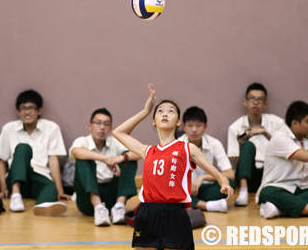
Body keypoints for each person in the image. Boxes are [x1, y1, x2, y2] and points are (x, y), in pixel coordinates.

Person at [113, 84, 234, 250]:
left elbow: (218, 174)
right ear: (154, 121)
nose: (164, 113)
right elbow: (118, 132)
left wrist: (224, 183)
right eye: (160, 111)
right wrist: (146, 111)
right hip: (147, 212)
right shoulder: (147, 151)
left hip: (175, 213)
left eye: (170, 111)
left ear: (178, 122)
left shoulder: (187, 148)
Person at [0, 90, 71, 216]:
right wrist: (3, 189)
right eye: (23, 108)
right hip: (14, 179)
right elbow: (1, 161)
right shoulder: (9, 129)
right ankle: (16, 194)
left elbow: (53, 159)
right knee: (23, 148)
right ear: (18, 111)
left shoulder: (51, 128)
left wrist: (59, 190)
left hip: (39, 176)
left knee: (50, 190)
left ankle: (42, 206)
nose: (27, 112)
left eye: (31, 108)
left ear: (39, 110)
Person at [69, 108, 140, 226]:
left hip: (111, 196)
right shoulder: (82, 141)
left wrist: (120, 158)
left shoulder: (114, 142)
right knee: (83, 158)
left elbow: (138, 152)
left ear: (111, 129)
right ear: (89, 125)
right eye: (98, 123)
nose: (102, 127)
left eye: (106, 124)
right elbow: (76, 152)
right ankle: (99, 209)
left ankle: (119, 207)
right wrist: (105, 159)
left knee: (129, 158)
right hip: (87, 201)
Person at [227, 82, 286, 206]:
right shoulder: (235, 127)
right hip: (249, 175)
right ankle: (243, 191)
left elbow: (286, 148)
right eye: (252, 98)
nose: (255, 102)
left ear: (265, 104)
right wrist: (240, 145)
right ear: (245, 102)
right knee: (248, 145)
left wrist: (265, 133)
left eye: (260, 99)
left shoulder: (277, 123)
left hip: (271, 172)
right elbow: (237, 160)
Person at [178, 106, 235, 213]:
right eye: (190, 126)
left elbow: (230, 174)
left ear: (205, 127)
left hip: (205, 188)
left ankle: (192, 203)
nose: (194, 130)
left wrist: (203, 178)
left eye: (199, 125)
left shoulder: (214, 144)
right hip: (185, 188)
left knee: (230, 184)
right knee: (172, 190)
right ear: (184, 127)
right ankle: (208, 205)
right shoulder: (177, 145)